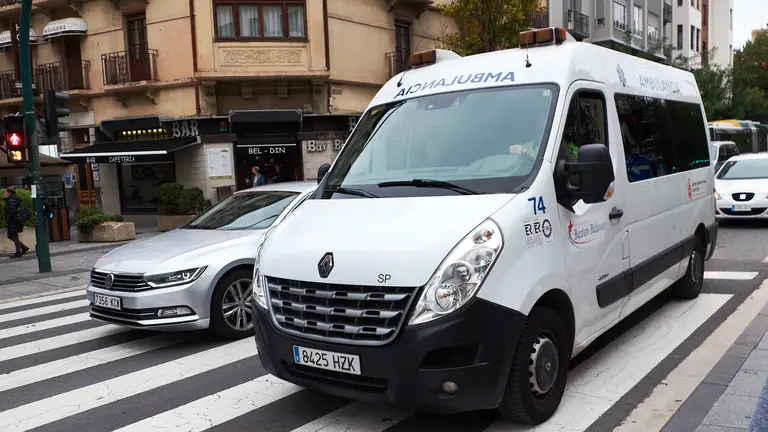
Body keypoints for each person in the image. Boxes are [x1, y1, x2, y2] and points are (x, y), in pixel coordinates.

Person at [4, 186, 29, 258]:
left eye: (5, 192)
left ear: (9, 193)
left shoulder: (10, 200)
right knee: (13, 236)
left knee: (12, 236)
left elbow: (12, 211)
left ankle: (19, 252)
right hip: (17, 220)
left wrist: (8, 219)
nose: (5, 193)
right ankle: (23, 248)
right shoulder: (16, 198)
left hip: (13, 220)